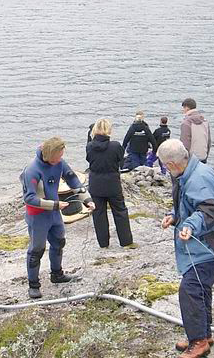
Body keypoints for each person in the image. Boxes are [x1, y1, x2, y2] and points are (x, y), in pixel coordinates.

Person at [157, 139, 214, 358]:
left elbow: (208, 209)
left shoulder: (199, 178)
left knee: (191, 288)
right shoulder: (190, 173)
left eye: (164, 165)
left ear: (173, 164)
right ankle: (204, 334)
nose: (164, 169)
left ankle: (199, 341)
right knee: (200, 286)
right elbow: (189, 205)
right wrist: (175, 217)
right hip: (210, 242)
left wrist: (190, 225)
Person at [21, 137, 95, 299]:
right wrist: (55, 204)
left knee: (59, 242)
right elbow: (29, 198)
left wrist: (87, 199)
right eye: (58, 157)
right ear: (49, 155)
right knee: (36, 250)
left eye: (62, 156)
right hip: (38, 216)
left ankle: (57, 274)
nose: (60, 159)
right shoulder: (32, 170)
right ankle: (33, 285)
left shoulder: (59, 163)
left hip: (54, 214)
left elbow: (72, 179)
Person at [86, 118, 134, 249]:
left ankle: (103, 243)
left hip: (96, 184)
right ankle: (126, 241)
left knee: (99, 214)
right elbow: (120, 159)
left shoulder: (90, 146)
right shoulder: (115, 146)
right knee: (120, 211)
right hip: (112, 183)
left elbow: (88, 159)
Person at [180, 98, 211, 163]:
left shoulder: (186, 123)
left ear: (187, 108)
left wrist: (183, 160)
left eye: (183, 108)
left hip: (191, 159)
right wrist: (205, 156)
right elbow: (208, 142)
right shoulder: (205, 122)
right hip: (203, 157)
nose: (183, 110)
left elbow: (185, 144)